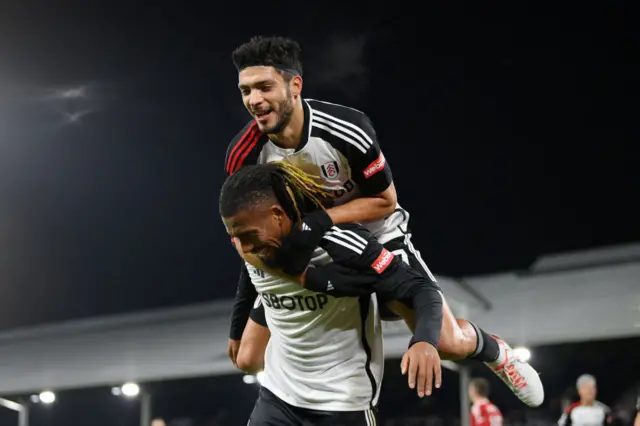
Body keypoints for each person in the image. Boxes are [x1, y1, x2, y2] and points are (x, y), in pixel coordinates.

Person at [224, 35, 544, 408]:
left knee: (447, 344)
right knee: (247, 357)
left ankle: (495, 350)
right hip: (307, 251)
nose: (254, 100)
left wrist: (318, 222)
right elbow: (250, 238)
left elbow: (384, 201)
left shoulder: (346, 129)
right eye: (246, 90)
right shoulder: (244, 155)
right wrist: (239, 319)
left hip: (376, 237)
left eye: (265, 87)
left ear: (295, 85)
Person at [219, 161, 446, 425]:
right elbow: (248, 277)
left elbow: (421, 287)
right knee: (247, 359)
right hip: (278, 397)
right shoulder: (252, 245)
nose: (243, 246)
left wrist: (425, 340)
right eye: (234, 237)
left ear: (278, 215)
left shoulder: (340, 244)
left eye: (247, 235)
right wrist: (236, 328)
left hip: (342, 403)